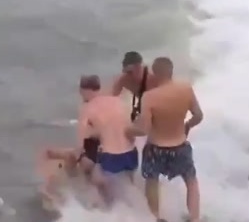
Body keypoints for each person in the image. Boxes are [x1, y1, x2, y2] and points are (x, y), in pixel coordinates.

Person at [127, 57, 203, 222]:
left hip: (156, 148)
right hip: (180, 145)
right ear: (171, 71)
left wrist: (127, 130)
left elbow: (144, 129)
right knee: (190, 180)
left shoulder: (149, 97)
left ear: (154, 75)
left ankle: (156, 217)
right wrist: (187, 126)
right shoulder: (186, 89)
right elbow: (198, 116)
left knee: (152, 181)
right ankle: (195, 218)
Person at [78, 75, 138, 205]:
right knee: (128, 181)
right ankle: (135, 204)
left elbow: (84, 138)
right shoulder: (118, 101)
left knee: (94, 177)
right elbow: (130, 126)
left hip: (111, 156)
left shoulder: (88, 108)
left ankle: (110, 207)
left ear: (84, 90)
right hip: (132, 153)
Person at [111, 51, 157, 121]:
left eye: (138, 69)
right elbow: (112, 99)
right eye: (129, 72)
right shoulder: (124, 79)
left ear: (141, 66)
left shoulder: (153, 79)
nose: (132, 75)